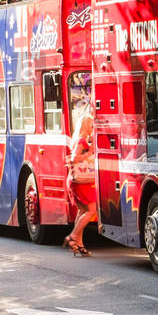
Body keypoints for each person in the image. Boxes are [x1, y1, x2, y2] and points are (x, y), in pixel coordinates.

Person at [63, 107, 97, 256]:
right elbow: (74, 158)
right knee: (92, 210)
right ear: (85, 126)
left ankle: (79, 245)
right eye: (91, 126)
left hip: (77, 181)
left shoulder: (82, 139)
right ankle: (73, 237)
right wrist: (89, 153)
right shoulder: (81, 140)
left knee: (82, 211)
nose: (92, 128)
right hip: (81, 181)